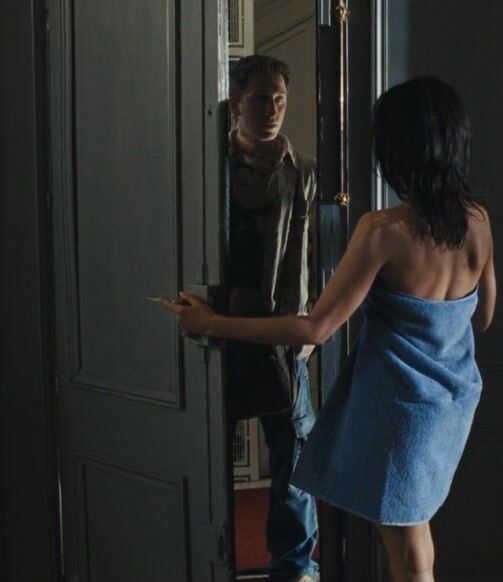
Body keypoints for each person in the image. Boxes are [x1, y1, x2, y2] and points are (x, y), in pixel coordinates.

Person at [162, 75, 496, 582]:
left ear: (397, 149)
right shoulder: (478, 221)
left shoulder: (383, 231)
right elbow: (484, 315)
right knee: (417, 537)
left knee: (407, 556)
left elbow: (316, 328)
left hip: (400, 411)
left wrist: (214, 323)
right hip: (450, 407)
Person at [225, 54, 319, 582]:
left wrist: (311, 323)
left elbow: (316, 252)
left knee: (295, 456)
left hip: (284, 334)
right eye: (262, 97)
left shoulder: (301, 170)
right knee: (209, 447)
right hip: (222, 330)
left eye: (280, 98)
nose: (273, 108)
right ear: (237, 103)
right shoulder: (212, 168)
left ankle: (295, 567)